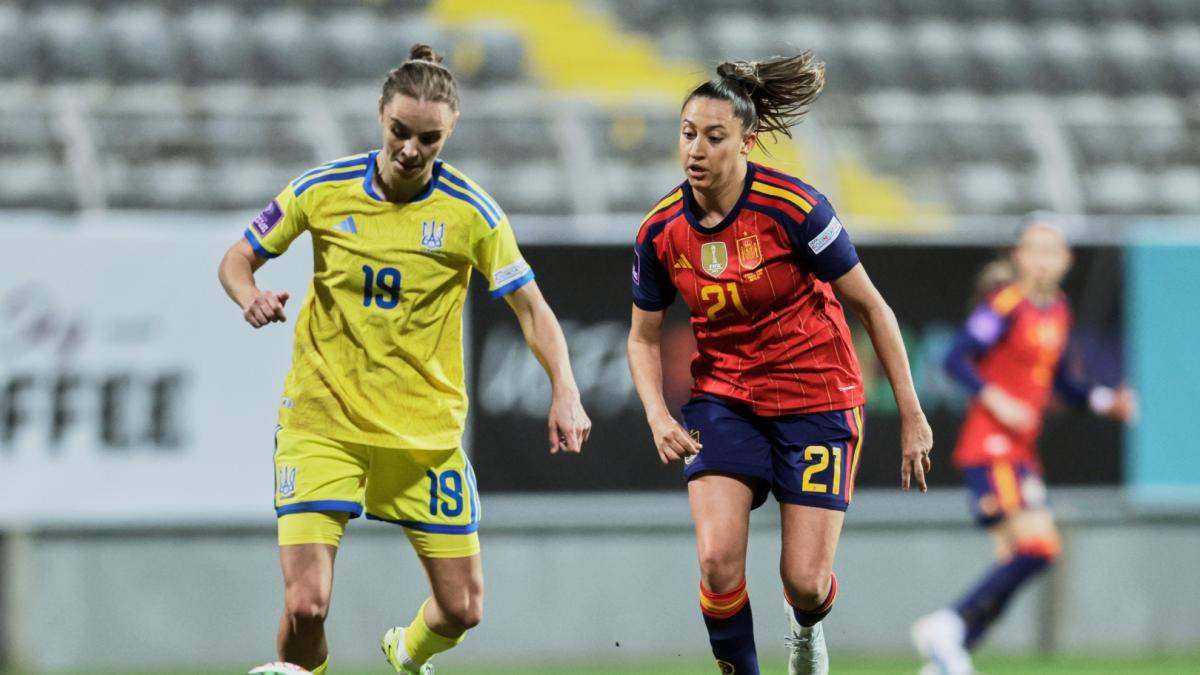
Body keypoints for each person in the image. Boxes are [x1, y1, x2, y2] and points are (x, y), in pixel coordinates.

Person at [217, 44, 591, 675]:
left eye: (429, 138)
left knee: (463, 608)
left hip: (423, 437)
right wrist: (249, 295)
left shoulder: (472, 213)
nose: (411, 149)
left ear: (449, 134)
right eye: (399, 131)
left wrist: (566, 390)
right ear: (380, 116)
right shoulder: (322, 190)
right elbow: (238, 258)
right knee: (306, 605)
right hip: (321, 423)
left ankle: (407, 655)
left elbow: (532, 309)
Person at [626, 51, 934, 675]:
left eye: (715, 137)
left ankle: (805, 625)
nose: (697, 150)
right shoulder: (660, 230)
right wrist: (657, 413)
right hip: (725, 398)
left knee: (806, 582)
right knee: (716, 560)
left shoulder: (795, 208)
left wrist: (911, 414)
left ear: (748, 141)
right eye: (688, 134)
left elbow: (872, 309)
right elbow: (642, 337)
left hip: (818, 396)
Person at [912, 215, 1134, 675]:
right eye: (1034, 249)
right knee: (1036, 548)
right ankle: (950, 627)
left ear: (1067, 259)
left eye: (1052, 250)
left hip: (1020, 455)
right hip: (991, 447)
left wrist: (1107, 399)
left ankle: (949, 654)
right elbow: (956, 357)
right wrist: (998, 399)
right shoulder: (1006, 304)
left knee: (1031, 554)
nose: (1043, 259)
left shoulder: (1058, 311)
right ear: (1019, 257)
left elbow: (1064, 386)